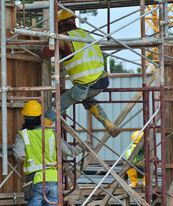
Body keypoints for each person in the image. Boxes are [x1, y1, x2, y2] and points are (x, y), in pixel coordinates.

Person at [42, 9, 120, 138]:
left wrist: (48, 40)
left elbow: (47, 53)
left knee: (56, 107)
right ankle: (109, 125)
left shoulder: (64, 38)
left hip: (83, 86)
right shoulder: (87, 35)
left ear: (60, 24)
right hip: (102, 81)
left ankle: (41, 134)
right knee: (88, 99)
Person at [13, 100, 86, 205]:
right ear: (40, 116)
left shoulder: (22, 135)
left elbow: (19, 156)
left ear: (25, 117)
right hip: (53, 179)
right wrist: (82, 147)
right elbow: (70, 151)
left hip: (36, 180)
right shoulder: (50, 133)